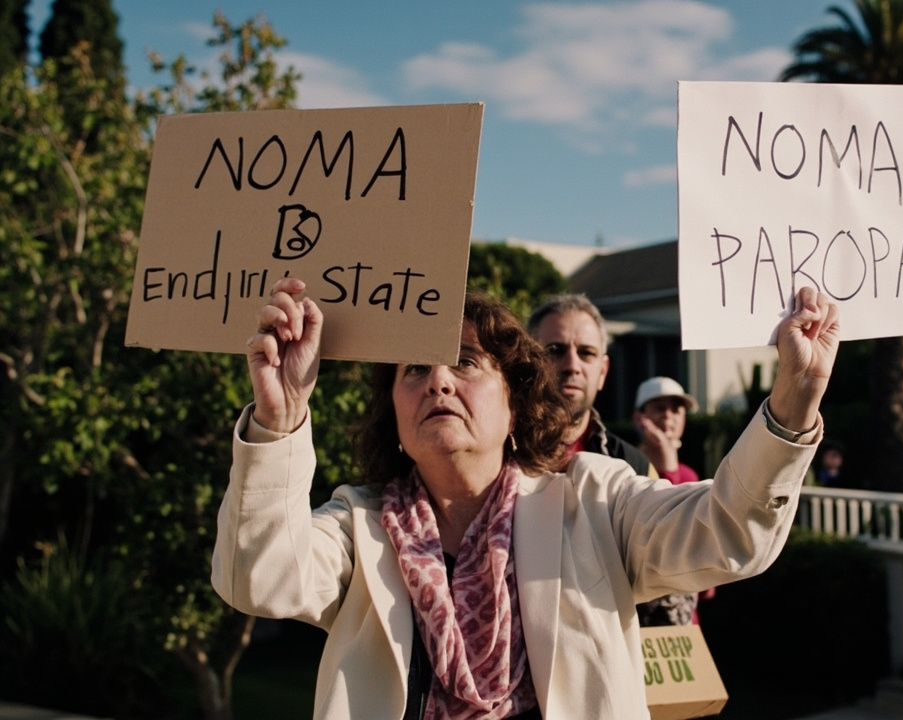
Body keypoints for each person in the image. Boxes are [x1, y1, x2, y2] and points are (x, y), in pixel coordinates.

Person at [213, 278, 839, 719]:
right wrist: (280, 418)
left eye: (464, 362)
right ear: (395, 420)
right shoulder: (358, 524)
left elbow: (728, 531)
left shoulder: (594, 500)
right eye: (412, 369)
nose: (436, 379)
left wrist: (792, 403)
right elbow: (259, 577)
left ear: (516, 406)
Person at [527, 293, 651, 476]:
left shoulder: (635, 467)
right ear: (528, 363)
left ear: (603, 371)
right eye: (554, 351)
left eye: (586, 353)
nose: (572, 366)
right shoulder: (496, 455)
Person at [630, 375, 706, 626]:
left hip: (682, 619)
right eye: (659, 408)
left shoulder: (690, 475)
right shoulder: (627, 468)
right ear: (639, 418)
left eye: (676, 409)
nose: (668, 416)